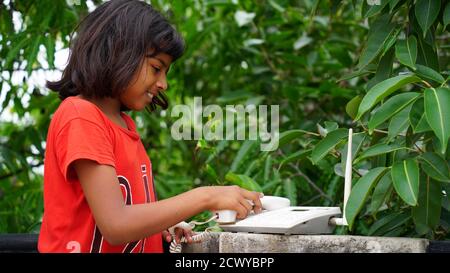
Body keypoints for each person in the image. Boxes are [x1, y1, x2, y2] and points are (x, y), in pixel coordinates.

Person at [38, 0, 262, 253]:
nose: (163, 84)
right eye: (156, 68)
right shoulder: (81, 116)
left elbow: (124, 216)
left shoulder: (125, 126)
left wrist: (159, 227)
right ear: (117, 51)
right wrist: (206, 196)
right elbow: (116, 225)